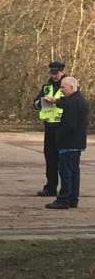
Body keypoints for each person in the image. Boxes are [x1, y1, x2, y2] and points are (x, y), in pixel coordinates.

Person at [44, 76, 89, 209]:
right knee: (74, 172)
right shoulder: (78, 100)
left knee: (66, 172)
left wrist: (57, 135)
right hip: (77, 143)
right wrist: (55, 101)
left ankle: (64, 199)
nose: (61, 90)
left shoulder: (73, 103)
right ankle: (72, 199)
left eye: (63, 87)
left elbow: (70, 125)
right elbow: (64, 103)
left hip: (68, 143)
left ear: (71, 87)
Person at [33, 61, 66, 196]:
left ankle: (65, 189)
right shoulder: (46, 87)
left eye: (57, 73)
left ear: (62, 72)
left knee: (64, 160)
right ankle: (50, 187)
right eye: (52, 73)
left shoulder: (68, 86)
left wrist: (56, 101)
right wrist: (41, 103)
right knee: (50, 159)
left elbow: (74, 104)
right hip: (49, 127)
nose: (55, 76)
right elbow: (35, 103)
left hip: (63, 127)